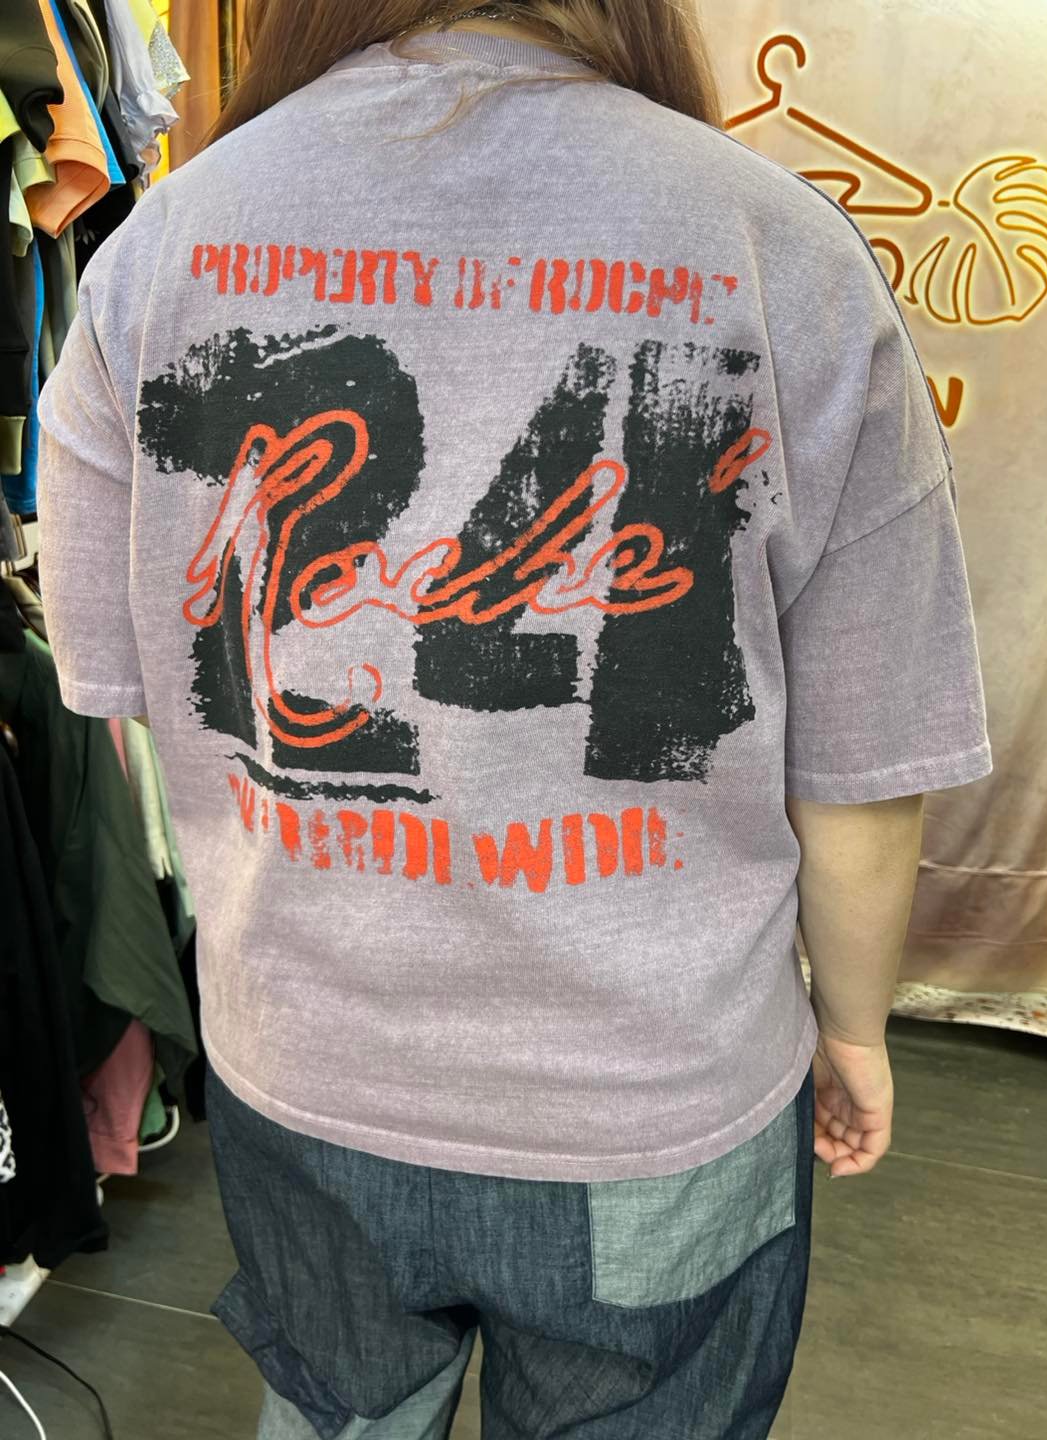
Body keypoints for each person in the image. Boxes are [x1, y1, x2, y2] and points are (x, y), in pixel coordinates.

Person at [36, 2, 993, 1436]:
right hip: (655, 1093)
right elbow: (861, 766)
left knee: (342, 1416)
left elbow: (122, 689)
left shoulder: (157, 251)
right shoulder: (781, 248)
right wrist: (854, 1028)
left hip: (305, 1071)